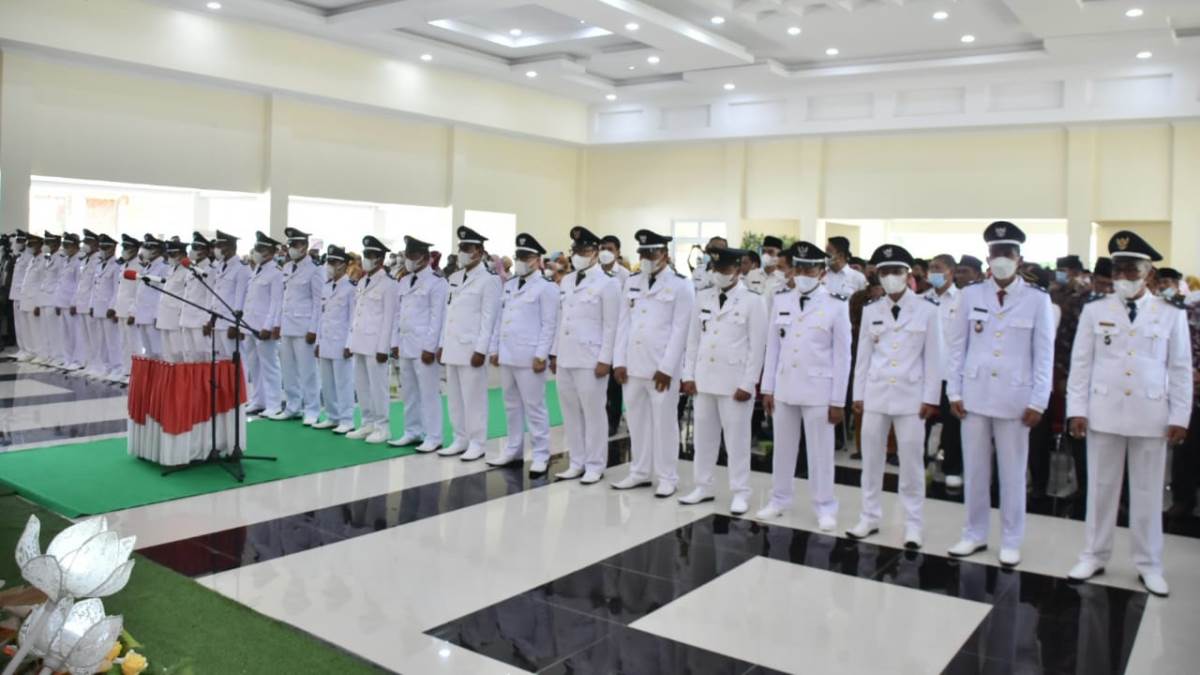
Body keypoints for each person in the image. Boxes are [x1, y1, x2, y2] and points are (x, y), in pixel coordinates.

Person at [1065, 232, 1191, 597]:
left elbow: (1180, 368)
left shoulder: (1170, 314)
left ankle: (1149, 564)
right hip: (1103, 411)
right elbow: (1081, 364)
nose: (1123, 277)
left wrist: (1180, 416)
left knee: (1148, 492)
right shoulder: (1095, 310)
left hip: (1151, 414)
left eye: (1131, 270)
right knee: (1100, 489)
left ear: (1149, 273)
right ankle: (1093, 555)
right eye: (1118, 270)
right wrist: (1077, 410)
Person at [946, 221, 1055, 568]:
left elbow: (1044, 354)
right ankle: (974, 533)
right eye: (995, 253)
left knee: (1012, 474)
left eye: (1007, 253)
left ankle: (1011, 539)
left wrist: (1039, 400)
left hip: (1016, 399)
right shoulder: (970, 294)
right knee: (975, 471)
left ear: (1019, 259)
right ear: (987, 258)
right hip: (974, 395)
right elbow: (957, 347)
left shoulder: (1037, 299)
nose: (1001, 259)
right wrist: (954, 391)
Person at [847, 244, 943, 548]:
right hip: (876, 394)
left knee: (911, 464)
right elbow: (863, 356)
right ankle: (869, 516)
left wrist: (931, 398)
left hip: (911, 397)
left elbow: (934, 359)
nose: (890, 277)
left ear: (907, 273)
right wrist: (858, 394)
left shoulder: (928, 309)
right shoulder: (871, 309)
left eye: (896, 271)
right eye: (885, 272)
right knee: (871, 460)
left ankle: (913, 524)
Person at [757, 241, 852, 529]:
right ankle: (779, 499)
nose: (802, 274)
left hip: (818, 390)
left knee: (820, 453)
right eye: (798, 268)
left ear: (821, 272)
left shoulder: (837, 303)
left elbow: (842, 357)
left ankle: (825, 506)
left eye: (809, 269)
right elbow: (773, 346)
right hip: (785, 386)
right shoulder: (781, 299)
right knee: (783, 449)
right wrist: (768, 388)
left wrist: (838, 401)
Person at [678, 247, 766, 514]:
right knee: (703, 438)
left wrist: (748, 383)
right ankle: (703, 486)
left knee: (737, 441)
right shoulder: (702, 297)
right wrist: (688, 375)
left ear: (738, 270)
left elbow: (757, 347)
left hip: (734, 383)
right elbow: (693, 340)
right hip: (704, 379)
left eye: (725, 269)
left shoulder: (753, 301)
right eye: (716, 269)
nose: (719, 274)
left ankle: (741, 491)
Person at [611, 229, 695, 497]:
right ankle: (639, 471)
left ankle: (668, 476)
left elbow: (681, 331)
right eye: (643, 253)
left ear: (664, 254)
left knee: (665, 423)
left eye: (652, 252)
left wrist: (667, 368)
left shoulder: (681, 285)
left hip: (661, 369)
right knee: (636, 421)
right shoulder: (632, 281)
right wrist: (618, 361)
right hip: (633, 365)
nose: (646, 257)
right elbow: (623, 323)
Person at [551, 226, 621, 484]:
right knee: (570, 412)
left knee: (593, 413)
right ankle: (576, 461)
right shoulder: (567, 281)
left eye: (584, 249)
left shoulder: (609, 283)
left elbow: (611, 325)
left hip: (591, 359)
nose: (579, 254)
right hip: (566, 356)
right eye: (576, 250)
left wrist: (606, 359)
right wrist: (555, 353)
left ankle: (595, 464)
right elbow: (561, 319)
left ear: (595, 252)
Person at [486, 233, 558, 474]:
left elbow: (549, 324)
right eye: (518, 256)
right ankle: (513, 450)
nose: (520, 261)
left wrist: (542, 355)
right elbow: (500, 319)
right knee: (511, 405)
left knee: (535, 407)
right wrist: (495, 348)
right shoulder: (510, 284)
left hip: (530, 357)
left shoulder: (546, 287)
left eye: (525, 257)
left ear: (537, 259)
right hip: (508, 354)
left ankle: (541, 454)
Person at [436, 226, 502, 461]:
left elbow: (489, 318)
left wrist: (481, 350)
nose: (462, 252)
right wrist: (442, 343)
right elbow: (448, 314)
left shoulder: (489, 280)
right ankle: (459, 438)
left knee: (474, 399)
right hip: (452, 346)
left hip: (472, 348)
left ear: (479, 252)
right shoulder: (454, 278)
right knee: (454, 398)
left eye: (467, 248)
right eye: (461, 247)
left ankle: (477, 442)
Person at [388, 236, 449, 452]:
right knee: (409, 393)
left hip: (424, 347)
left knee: (429, 393)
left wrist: (431, 347)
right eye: (407, 255)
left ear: (423, 257)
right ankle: (412, 431)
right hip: (406, 344)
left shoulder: (437, 282)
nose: (408, 260)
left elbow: (438, 317)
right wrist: (395, 341)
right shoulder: (404, 281)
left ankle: (434, 436)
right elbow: (398, 314)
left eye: (412, 255)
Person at [268, 228, 324, 425]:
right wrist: (277, 324)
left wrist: (314, 329)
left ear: (305, 246)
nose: (292, 248)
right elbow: (282, 299)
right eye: (290, 244)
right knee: (288, 370)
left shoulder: (315, 269)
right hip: (287, 326)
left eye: (296, 244)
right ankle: (293, 406)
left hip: (304, 328)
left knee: (308, 372)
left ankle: (312, 410)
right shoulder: (287, 267)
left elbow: (318, 302)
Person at [346, 236, 398, 443]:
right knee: (362, 386)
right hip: (360, 341)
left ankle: (382, 427)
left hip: (376, 345)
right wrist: (350, 342)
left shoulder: (388, 284)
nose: (366, 258)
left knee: (378, 388)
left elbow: (389, 318)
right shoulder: (362, 281)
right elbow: (356, 315)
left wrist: (384, 347)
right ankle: (367, 423)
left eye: (370, 255)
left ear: (380, 259)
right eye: (365, 254)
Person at [920, 254, 964, 487]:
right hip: (925, 373)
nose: (933, 272)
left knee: (952, 424)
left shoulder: (963, 300)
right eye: (931, 268)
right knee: (920, 421)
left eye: (938, 268)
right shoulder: (920, 300)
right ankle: (918, 465)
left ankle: (952, 469)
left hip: (951, 373)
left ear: (951, 272)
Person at [313, 246, 357, 434]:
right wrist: (318, 341)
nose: (329, 265)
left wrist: (349, 344)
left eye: (333, 262)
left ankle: (347, 420)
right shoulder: (326, 286)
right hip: (325, 341)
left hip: (341, 342)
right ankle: (332, 416)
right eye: (328, 261)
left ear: (343, 265)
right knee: (327, 382)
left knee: (343, 383)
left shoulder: (351, 288)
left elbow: (353, 319)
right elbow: (321, 316)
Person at [242, 232, 285, 416]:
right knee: (254, 365)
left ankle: (274, 404)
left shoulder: (276, 273)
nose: (257, 251)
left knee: (270, 365)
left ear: (271, 252)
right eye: (256, 247)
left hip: (263, 326)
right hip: (250, 324)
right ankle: (259, 400)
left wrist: (269, 326)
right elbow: (250, 300)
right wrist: (243, 325)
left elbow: (276, 302)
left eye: (261, 248)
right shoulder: (257, 270)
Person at [208, 230, 250, 360]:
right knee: (219, 361)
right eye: (216, 246)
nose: (217, 249)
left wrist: (235, 325)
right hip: (218, 321)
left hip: (229, 322)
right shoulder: (220, 266)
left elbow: (241, 299)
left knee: (235, 359)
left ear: (231, 248)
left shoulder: (242, 268)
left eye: (220, 246)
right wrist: (211, 319)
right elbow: (217, 294)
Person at [86, 234, 121, 379]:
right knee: (101, 341)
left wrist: (113, 307)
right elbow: (95, 287)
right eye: (101, 247)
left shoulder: (116, 266)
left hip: (108, 309)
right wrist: (91, 305)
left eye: (106, 247)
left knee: (112, 341)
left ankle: (117, 368)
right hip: (98, 307)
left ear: (113, 248)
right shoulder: (99, 265)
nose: (103, 250)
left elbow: (117, 289)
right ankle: (105, 367)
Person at [176, 232, 214, 362]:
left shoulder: (210, 270)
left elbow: (210, 297)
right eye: (193, 247)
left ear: (206, 251)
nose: (193, 251)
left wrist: (207, 320)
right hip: (187, 318)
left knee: (202, 356)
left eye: (197, 248)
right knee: (188, 356)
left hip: (200, 320)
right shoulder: (191, 268)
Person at [153, 240, 191, 362]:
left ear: (182, 254)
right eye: (168, 254)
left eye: (173, 254)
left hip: (176, 316)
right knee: (167, 352)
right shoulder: (171, 269)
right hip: (165, 314)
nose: (170, 257)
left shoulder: (187, 271)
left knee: (178, 351)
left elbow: (187, 295)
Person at [67, 230, 100, 371]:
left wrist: (92, 304)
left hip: (90, 304)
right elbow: (80, 284)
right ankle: (87, 363)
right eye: (85, 242)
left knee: (94, 338)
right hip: (81, 303)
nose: (85, 245)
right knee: (84, 337)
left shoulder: (98, 261)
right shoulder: (85, 260)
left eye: (88, 242)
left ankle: (96, 365)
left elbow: (95, 286)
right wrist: (74, 302)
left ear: (96, 244)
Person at [52, 233, 82, 369]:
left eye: (68, 245)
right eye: (64, 245)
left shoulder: (79, 261)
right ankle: (67, 358)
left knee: (74, 333)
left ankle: (77, 360)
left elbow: (78, 284)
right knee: (64, 333)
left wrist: (74, 303)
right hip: (62, 302)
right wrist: (57, 302)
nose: (65, 248)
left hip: (71, 303)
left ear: (75, 246)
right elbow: (60, 282)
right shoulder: (65, 261)